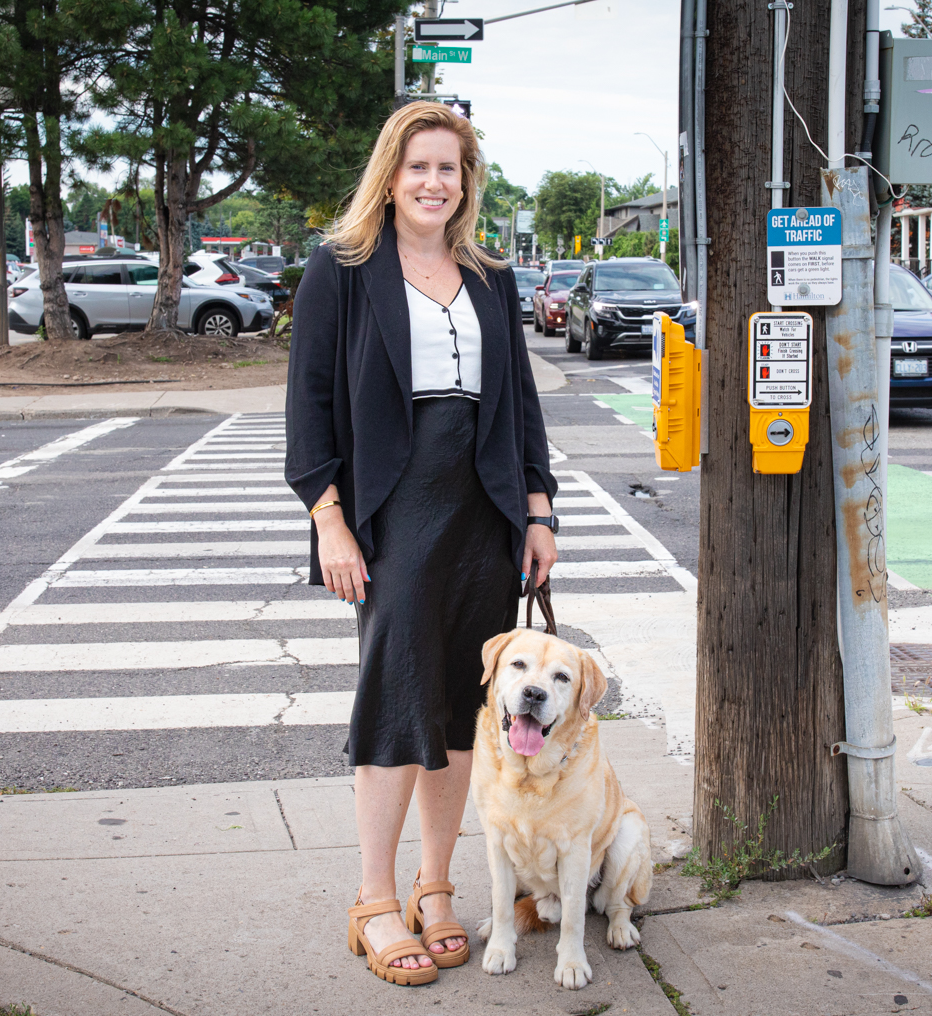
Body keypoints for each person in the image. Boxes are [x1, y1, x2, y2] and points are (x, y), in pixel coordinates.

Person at [285, 101, 559, 986]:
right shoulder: (342, 269)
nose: (434, 183)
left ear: (466, 182)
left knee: (460, 707)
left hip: (484, 510)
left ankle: (434, 887)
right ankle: (372, 897)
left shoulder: (489, 274)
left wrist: (540, 509)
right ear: (390, 177)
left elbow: (518, 398)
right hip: (393, 510)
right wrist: (328, 518)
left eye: (449, 168)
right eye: (419, 168)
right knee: (394, 697)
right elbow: (308, 407)